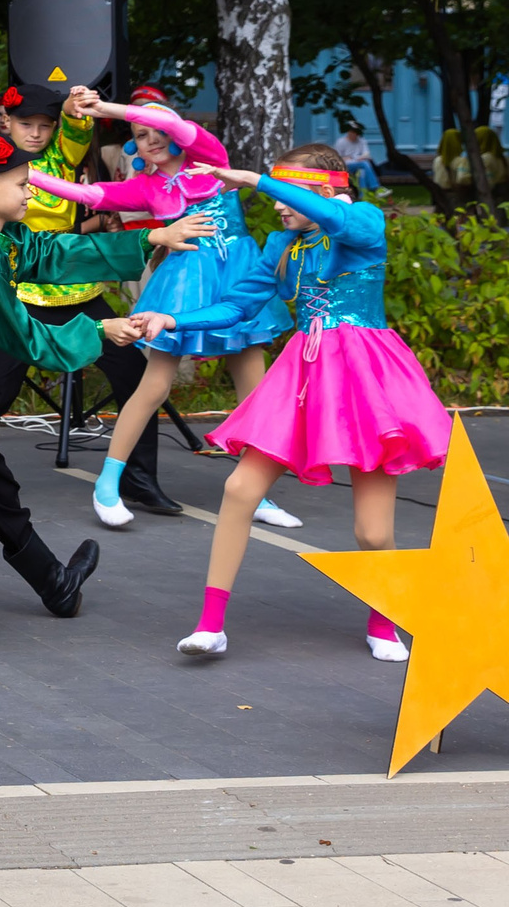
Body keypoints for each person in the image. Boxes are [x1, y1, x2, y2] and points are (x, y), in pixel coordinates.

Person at [0, 133, 206, 658]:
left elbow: (55, 250)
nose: (32, 196)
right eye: (23, 186)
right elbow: (22, 335)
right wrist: (100, 331)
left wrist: (151, 237)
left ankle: (56, 584)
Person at [171, 148, 451, 659]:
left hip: (365, 376)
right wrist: (173, 322)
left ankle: (384, 620)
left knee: (372, 531)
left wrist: (257, 179)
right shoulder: (285, 243)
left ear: (322, 188)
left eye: (287, 194)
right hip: (303, 372)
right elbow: (239, 304)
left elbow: (336, 217)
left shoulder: (361, 220)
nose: (277, 207)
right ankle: (211, 624)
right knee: (239, 488)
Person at [25, 96, 301, 531]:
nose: (151, 140)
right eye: (140, 136)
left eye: (159, 132)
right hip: (184, 286)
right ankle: (108, 483)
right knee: (152, 386)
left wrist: (108, 110)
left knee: (254, 389)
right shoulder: (147, 188)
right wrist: (25, 174)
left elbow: (166, 123)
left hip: (239, 278)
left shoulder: (210, 158)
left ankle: (257, 491)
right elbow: (85, 193)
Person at [0, 83, 181, 518]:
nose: (34, 133)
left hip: (74, 286)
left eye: (43, 126)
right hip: (19, 289)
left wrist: (73, 107)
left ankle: (139, 480)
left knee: (134, 373)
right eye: (25, 124)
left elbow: (75, 126)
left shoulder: (61, 156)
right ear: (6, 121)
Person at [333, 117, 383, 193]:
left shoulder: (361, 141)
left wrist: (361, 158)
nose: (355, 135)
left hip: (360, 163)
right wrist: (345, 158)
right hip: (347, 165)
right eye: (353, 132)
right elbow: (336, 158)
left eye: (356, 133)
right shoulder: (341, 142)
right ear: (349, 132)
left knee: (362, 171)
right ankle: (375, 187)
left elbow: (366, 154)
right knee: (364, 164)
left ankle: (362, 195)